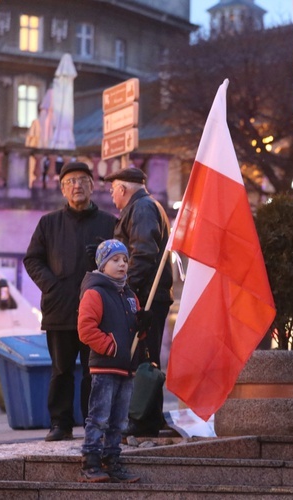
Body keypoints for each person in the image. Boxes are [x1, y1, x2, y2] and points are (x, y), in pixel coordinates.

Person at [24, 161, 117, 442]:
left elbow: (123, 261)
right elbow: (32, 259)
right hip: (60, 310)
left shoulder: (109, 223)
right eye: (70, 182)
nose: (76, 186)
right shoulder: (49, 223)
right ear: (63, 189)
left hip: (98, 312)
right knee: (61, 371)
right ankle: (60, 424)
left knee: (95, 372)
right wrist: (52, 284)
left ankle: (94, 424)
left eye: (82, 180)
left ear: (92, 186)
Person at [104, 167, 173, 437]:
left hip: (146, 297)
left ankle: (144, 421)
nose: (111, 195)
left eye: (112, 190)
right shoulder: (144, 206)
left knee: (143, 359)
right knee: (147, 357)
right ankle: (150, 418)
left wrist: (127, 290)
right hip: (149, 294)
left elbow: (143, 253)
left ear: (123, 189)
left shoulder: (142, 208)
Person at [77, 239, 143, 484]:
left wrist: (142, 325)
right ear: (103, 264)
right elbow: (85, 329)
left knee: (119, 420)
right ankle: (91, 460)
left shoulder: (129, 295)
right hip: (105, 367)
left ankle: (112, 460)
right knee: (99, 417)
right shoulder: (95, 292)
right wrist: (111, 347)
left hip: (126, 368)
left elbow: (135, 330)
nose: (122, 264)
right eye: (115, 260)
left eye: (125, 260)